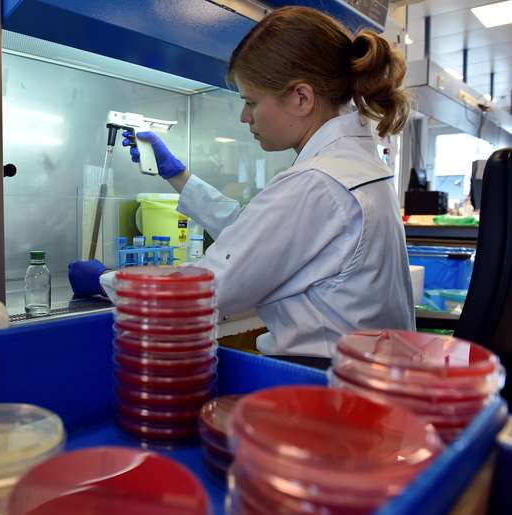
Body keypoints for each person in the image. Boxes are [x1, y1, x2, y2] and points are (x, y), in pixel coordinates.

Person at [69, 6, 415, 358]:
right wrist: (177, 175)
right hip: (359, 383)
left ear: (301, 98)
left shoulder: (318, 182)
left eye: (251, 101)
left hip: (321, 388)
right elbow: (258, 233)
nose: (244, 116)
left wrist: (106, 282)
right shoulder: (354, 168)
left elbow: (204, 290)